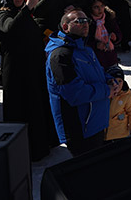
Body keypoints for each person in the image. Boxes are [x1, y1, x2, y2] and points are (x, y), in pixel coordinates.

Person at [0, 0, 58, 160]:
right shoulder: (0, 11)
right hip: (17, 69)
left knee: (38, 104)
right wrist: (27, 8)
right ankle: (25, 150)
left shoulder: (24, 10)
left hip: (35, 65)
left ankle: (44, 143)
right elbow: (10, 27)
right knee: (23, 106)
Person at [46, 8, 112, 156]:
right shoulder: (60, 56)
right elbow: (75, 94)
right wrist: (107, 90)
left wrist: (112, 81)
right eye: (79, 21)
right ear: (65, 27)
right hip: (80, 128)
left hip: (96, 121)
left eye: (86, 21)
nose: (85, 24)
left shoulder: (85, 49)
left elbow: (99, 74)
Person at [104, 65, 131, 141]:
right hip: (103, 134)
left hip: (120, 133)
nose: (117, 84)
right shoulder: (104, 95)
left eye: (120, 81)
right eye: (114, 81)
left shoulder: (126, 96)